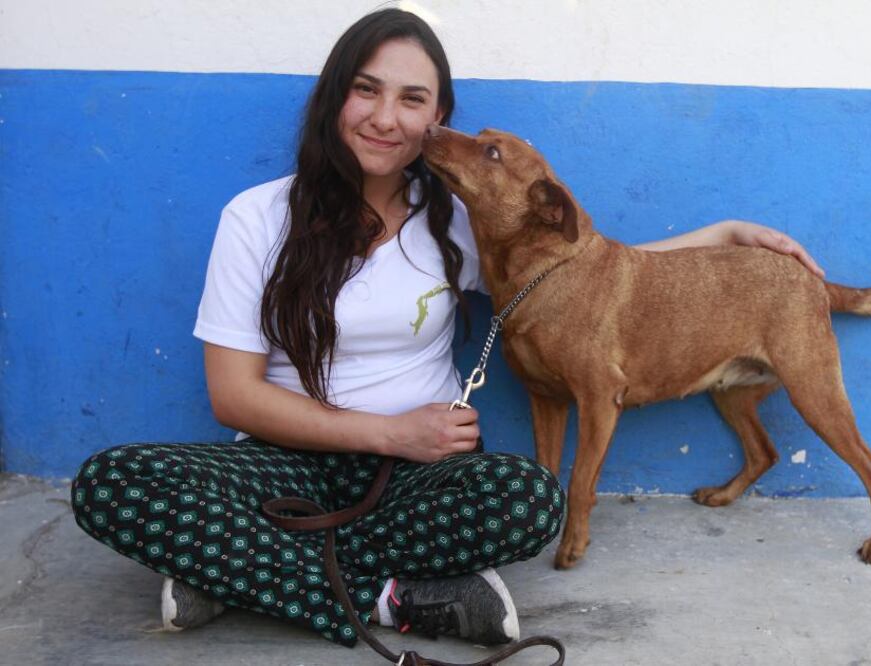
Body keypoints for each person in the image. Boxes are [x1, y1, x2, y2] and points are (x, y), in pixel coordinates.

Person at [71, 7, 823, 651]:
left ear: (435, 119)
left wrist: (724, 235)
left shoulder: (462, 222)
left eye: (412, 99)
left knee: (529, 502)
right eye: (365, 89)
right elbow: (233, 398)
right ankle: (395, 597)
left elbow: (587, 269)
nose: (385, 117)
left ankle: (240, 569)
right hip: (284, 460)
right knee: (113, 483)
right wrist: (388, 432)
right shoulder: (257, 217)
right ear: (334, 96)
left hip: (421, 474)